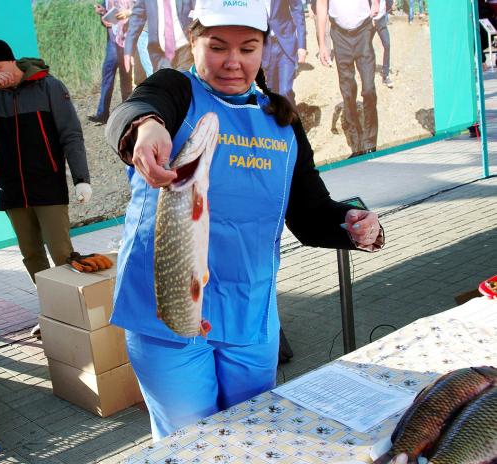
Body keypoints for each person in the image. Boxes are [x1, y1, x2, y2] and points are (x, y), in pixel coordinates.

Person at [105, 0, 385, 440]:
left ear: (264, 50)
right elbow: (136, 108)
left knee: (253, 435)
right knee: (191, 444)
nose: (232, 62)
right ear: (194, 42)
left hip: (249, 315)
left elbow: (311, 216)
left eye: (247, 48)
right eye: (217, 46)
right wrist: (145, 127)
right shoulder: (174, 92)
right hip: (169, 317)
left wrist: (353, 224)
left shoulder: (282, 120)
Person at [0, 39, 92, 332]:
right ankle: (53, 311)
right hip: (12, 189)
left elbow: (71, 134)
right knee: (30, 254)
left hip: (48, 184)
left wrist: (81, 179)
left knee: (61, 252)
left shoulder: (48, 86)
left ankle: (78, 312)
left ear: (12, 62)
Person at [317, 0, 380, 155]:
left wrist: (377, 3)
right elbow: (321, 5)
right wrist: (322, 45)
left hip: (363, 31)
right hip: (339, 36)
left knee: (369, 89)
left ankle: (370, 142)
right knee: (348, 92)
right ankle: (356, 143)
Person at [89, 1, 134, 125]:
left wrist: (128, 14)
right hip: (112, 39)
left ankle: (129, 114)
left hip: (128, 38)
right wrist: (103, 15)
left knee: (127, 78)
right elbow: (107, 15)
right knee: (107, 74)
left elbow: (140, 9)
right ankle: (102, 113)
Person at [123, 0, 196, 72]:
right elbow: (138, 16)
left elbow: (200, 9)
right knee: (163, 82)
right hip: (160, 54)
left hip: (186, 49)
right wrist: (129, 48)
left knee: (184, 81)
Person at [261, 0, 307, 107]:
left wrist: (301, 45)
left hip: (286, 44)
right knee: (272, 92)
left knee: (285, 90)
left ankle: (292, 121)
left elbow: (298, 10)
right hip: (266, 48)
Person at [372, 0, 393, 88]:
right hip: (369, 21)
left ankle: (386, 74)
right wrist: (370, 18)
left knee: (387, 45)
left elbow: (389, 3)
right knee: (365, 46)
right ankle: (367, 69)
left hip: (381, 21)